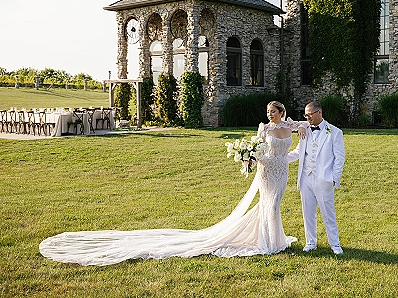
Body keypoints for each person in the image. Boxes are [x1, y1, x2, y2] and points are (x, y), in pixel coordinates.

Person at [39, 101, 307, 266]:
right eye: (268, 112)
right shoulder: (264, 128)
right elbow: (259, 148)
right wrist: (250, 158)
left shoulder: (290, 125)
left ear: (281, 112)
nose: (269, 115)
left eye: (273, 112)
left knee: (273, 206)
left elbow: (308, 126)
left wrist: (304, 135)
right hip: (266, 170)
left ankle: (272, 238)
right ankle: (271, 244)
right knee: (269, 205)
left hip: (281, 171)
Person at [288, 101, 346, 255]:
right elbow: (297, 152)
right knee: (307, 212)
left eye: (309, 115)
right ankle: (310, 242)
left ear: (319, 112)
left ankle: (335, 244)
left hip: (324, 179)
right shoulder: (305, 129)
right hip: (305, 177)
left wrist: (334, 179)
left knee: (328, 213)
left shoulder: (335, 132)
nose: (307, 118)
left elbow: (339, 158)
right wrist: (278, 159)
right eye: (305, 115)